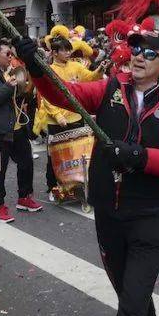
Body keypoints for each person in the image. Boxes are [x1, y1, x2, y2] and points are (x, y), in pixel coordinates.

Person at [15, 32, 159, 316]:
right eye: (136, 49)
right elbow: (66, 94)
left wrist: (136, 155)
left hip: (149, 215)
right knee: (129, 294)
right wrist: (36, 67)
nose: (138, 56)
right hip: (109, 212)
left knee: (132, 305)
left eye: (149, 54)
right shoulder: (111, 87)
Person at [0, 40, 43, 223]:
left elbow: (22, 97)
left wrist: (26, 84)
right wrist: (9, 86)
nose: (11, 57)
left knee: (26, 162)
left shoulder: (11, 72)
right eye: (7, 54)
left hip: (17, 128)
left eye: (12, 54)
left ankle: (24, 197)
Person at [41, 36, 109, 198]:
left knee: (78, 154)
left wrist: (100, 70)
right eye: (63, 50)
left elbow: (90, 78)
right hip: (57, 122)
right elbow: (46, 97)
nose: (67, 52)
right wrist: (58, 116)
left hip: (76, 117)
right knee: (55, 156)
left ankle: (76, 185)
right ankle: (54, 187)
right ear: (54, 53)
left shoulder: (76, 66)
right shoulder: (50, 70)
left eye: (68, 49)